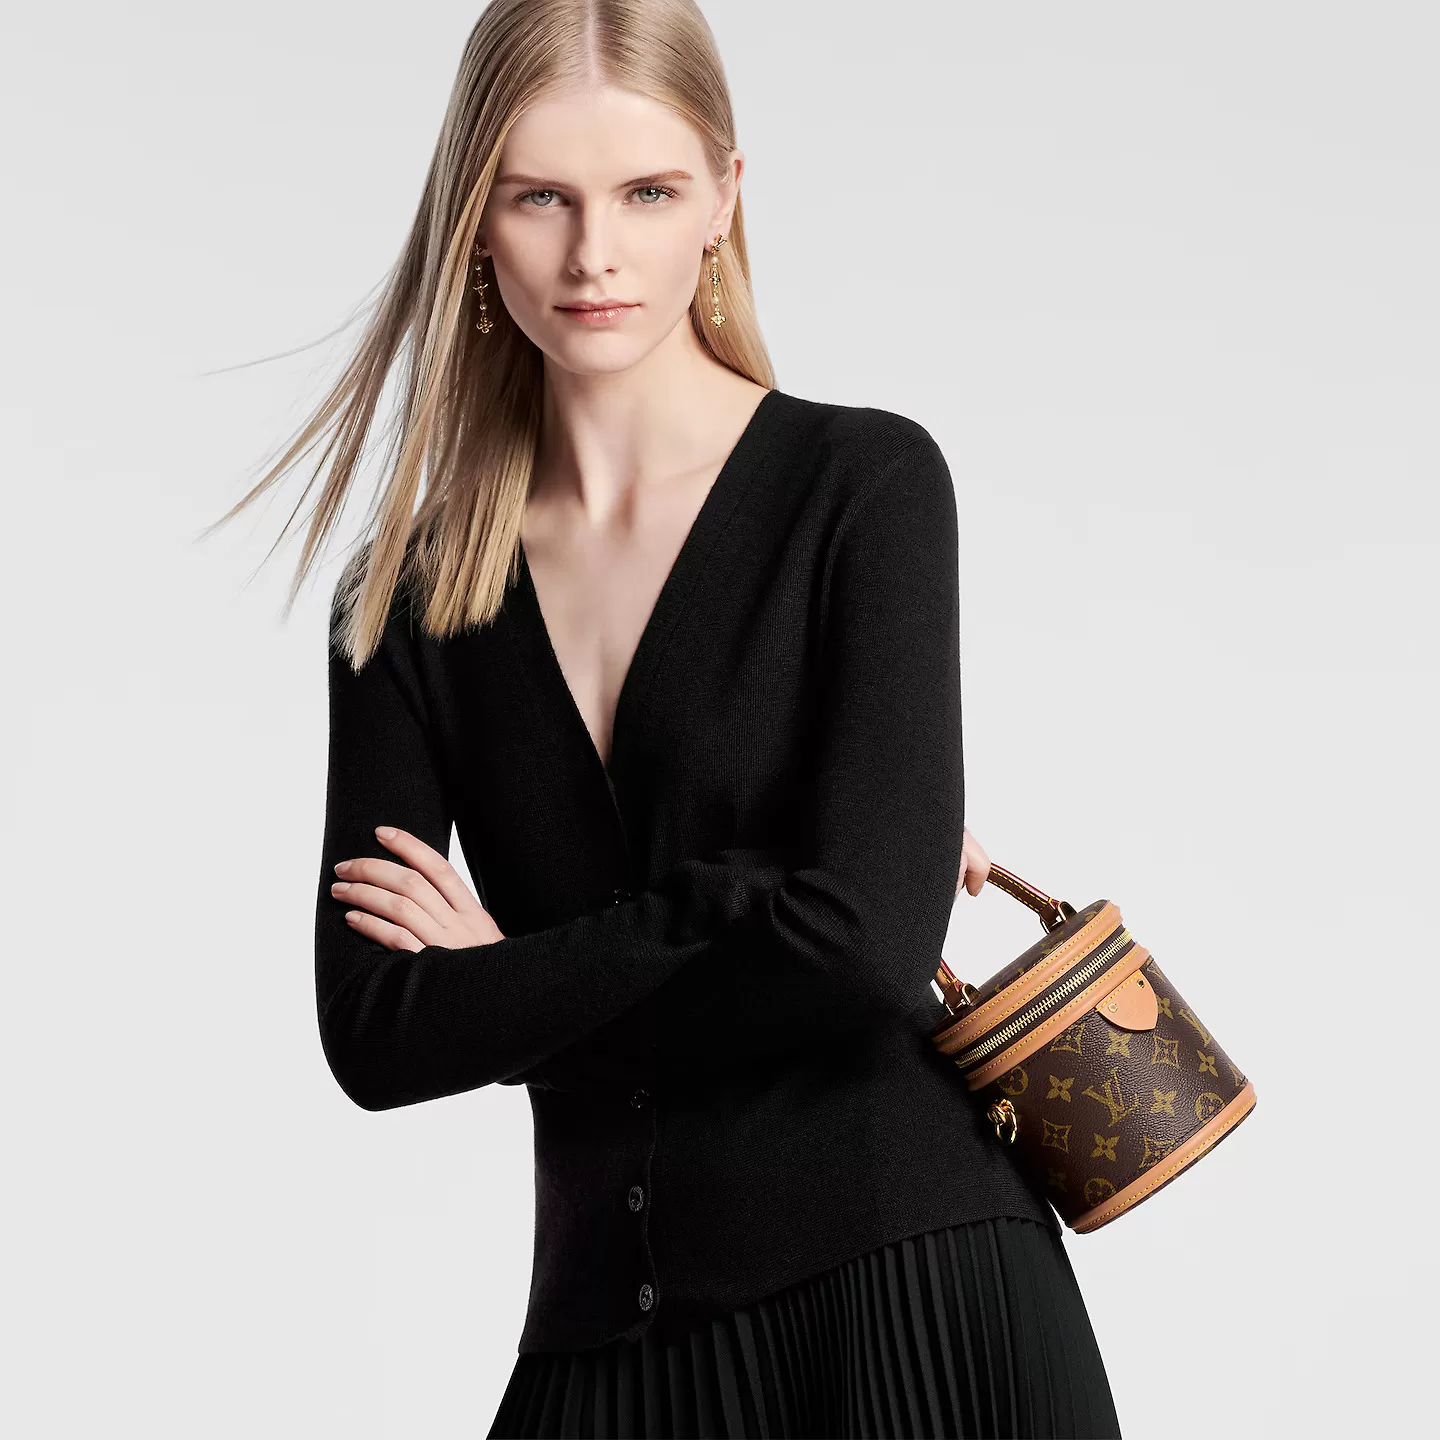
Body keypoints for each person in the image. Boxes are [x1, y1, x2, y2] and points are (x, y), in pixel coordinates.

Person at [221, 2, 1123, 1434]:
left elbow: (861, 957)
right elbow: (380, 1032)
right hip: (603, 1336)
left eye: (647, 192)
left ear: (722, 202)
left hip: (917, 1296)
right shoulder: (401, 601)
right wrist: (760, 896)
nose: (595, 253)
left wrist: (512, 975)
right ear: (472, 219)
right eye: (540, 197)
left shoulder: (865, 489)